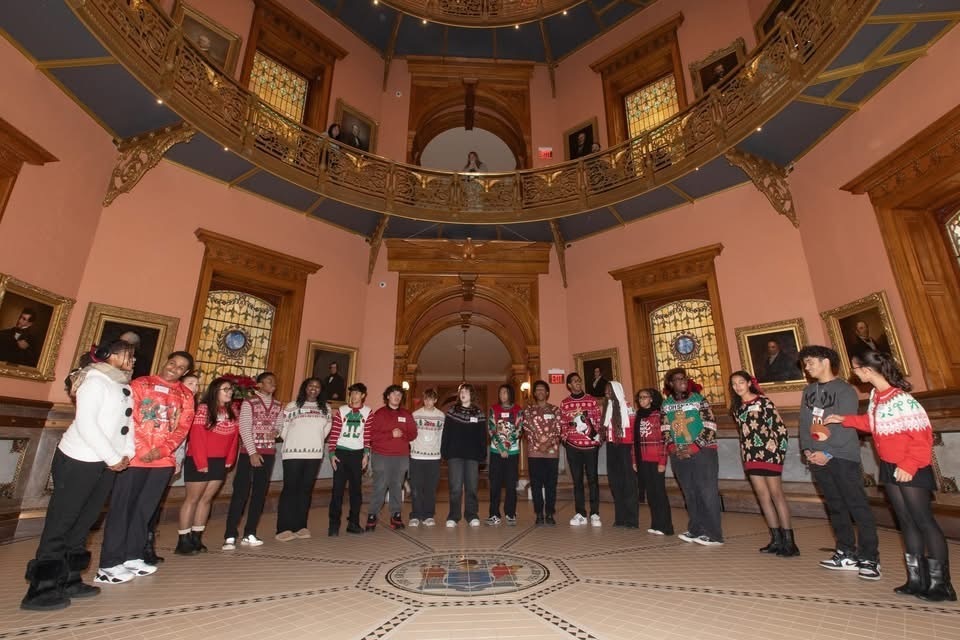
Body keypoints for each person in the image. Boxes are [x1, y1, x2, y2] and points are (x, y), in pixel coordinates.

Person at [825, 351, 954, 601]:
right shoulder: (877, 396)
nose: (855, 372)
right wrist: (845, 420)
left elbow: (922, 437)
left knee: (924, 521)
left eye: (856, 368)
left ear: (868, 370)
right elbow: (875, 423)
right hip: (889, 465)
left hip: (911, 467)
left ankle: (942, 585)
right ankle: (917, 579)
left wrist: (909, 465)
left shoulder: (902, 399)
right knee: (905, 521)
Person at [20, 341, 135, 610]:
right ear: (110, 356)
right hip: (79, 459)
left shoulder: (121, 383)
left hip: (107, 461)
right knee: (62, 521)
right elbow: (86, 423)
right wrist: (113, 457)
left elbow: (127, 424)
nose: (133, 361)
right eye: (128, 355)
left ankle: (70, 578)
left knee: (85, 521)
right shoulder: (93, 380)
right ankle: (41, 588)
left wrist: (125, 453)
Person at [96, 351, 195, 584]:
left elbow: (183, 427)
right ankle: (109, 563)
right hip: (134, 456)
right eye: (173, 363)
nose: (175, 369)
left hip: (163, 461)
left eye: (181, 368)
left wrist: (161, 450)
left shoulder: (186, 395)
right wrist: (141, 448)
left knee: (144, 510)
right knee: (123, 508)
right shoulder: (141, 384)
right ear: (165, 362)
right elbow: (129, 418)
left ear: (186, 372)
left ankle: (132, 556)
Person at [797, 345, 880, 580]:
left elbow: (846, 425)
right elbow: (804, 424)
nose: (807, 366)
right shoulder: (808, 391)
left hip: (842, 457)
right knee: (835, 506)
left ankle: (870, 558)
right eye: (805, 363)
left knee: (857, 506)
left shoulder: (845, 390)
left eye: (811, 362)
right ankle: (845, 552)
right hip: (817, 458)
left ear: (825, 361)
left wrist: (828, 452)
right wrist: (807, 450)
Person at [729, 371, 797, 556]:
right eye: (734, 384)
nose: (737, 387)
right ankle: (775, 539)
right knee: (762, 496)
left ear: (749, 383)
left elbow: (781, 429)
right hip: (751, 454)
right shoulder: (737, 408)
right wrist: (744, 453)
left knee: (776, 495)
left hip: (770, 453)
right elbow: (743, 433)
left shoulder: (763, 402)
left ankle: (790, 542)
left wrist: (778, 452)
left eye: (741, 382)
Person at [177, 377, 240, 554]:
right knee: (193, 499)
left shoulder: (233, 410)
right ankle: (183, 540)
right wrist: (201, 461)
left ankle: (197, 537)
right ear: (215, 391)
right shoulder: (204, 409)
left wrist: (230, 458)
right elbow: (196, 437)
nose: (230, 392)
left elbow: (234, 438)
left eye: (231, 389)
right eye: (225, 389)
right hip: (200, 459)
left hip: (219, 461)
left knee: (206, 499)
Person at [661, 368, 723, 546]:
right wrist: (673, 447)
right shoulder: (666, 404)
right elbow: (665, 428)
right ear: (670, 384)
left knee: (707, 492)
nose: (682, 381)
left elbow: (710, 425)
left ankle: (714, 534)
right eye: (677, 379)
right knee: (689, 492)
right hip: (678, 453)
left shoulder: (699, 400)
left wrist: (693, 448)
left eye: (684, 378)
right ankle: (696, 529)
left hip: (703, 451)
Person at [224, 371, 282, 549]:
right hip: (248, 454)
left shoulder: (279, 405)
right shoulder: (249, 403)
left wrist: (277, 432)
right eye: (268, 381)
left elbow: (279, 425)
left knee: (259, 494)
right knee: (240, 493)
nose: (272, 384)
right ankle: (230, 535)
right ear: (259, 385)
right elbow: (244, 428)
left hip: (268, 453)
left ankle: (250, 532)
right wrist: (252, 453)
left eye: (274, 381)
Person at [276, 377, 331, 541]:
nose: (313, 388)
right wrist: (295, 442)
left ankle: (300, 526)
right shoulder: (292, 406)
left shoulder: (326, 408)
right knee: (290, 489)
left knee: (305, 491)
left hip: (314, 455)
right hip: (293, 453)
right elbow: (283, 428)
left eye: (317, 386)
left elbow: (326, 430)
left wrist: (314, 442)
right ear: (304, 388)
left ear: (321, 390)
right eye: (310, 386)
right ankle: (283, 528)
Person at [365, 384, 417, 531]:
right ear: (388, 396)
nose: (397, 397)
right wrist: (390, 434)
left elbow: (413, 434)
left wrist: (402, 434)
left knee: (396, 486)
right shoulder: (380, 414)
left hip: (401, 457)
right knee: (380, 486)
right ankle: (372, 515)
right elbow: (371, 436)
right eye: (394, 394)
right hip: (381, 455)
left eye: (399, 395)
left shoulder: (407, 414)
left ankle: (396, 515)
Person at [327, 382, 372, 536]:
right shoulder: (342, 410)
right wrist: (332, 453)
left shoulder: (368, 412)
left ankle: (353, 523)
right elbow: (334, 432)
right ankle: (333, 525)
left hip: (357, 454)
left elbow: (367, 435)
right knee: (337, 490)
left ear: (363, 396)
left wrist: (366, 454)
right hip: (341, 452)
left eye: (357, 393)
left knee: (356, 491)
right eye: (352, 393)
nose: (354, 396)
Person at [441, 383, 486, 528]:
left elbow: (482, 436)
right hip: (455, 454)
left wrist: (482, 454)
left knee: (472, 487)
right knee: (455, 487)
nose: (462, 393)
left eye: (466, 391)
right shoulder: (452, 411)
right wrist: (445, 451)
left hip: (472, 456)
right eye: (461, 391)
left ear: (471, 394)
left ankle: (471, 514)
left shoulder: (478, 412)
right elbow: (446, 432)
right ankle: (453, 516)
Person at [560, 372, 603, 526]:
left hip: (590, 447)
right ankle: (580, 513)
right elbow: (563, 424)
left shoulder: (591, 400)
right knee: (577, 481)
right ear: (569, 385)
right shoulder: (565, 403)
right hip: (573, 447)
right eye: (574, 381)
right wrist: (565, 439)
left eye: (579, 381)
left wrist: (596, 439)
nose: (578, 383)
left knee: (593, 479)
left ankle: (595, 513)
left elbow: (598, 420)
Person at [520, 380, 563, 526]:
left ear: (547, 393)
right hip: (535, 453)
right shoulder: (528, 412)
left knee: (551, 484)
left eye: (542, 389)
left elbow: (558, 429)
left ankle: (550, 513)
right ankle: (539, 514)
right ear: (534, 393)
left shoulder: (555, 410)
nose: (540, 392)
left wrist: (548, 444)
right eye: (537, 389)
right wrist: (540, 445)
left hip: (552, 453)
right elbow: (527, 430)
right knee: (536, 485)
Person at [634, 388, 673, 536]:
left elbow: (664, 440)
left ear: (651, 399)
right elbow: (635, 441)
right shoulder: (639, 416)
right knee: (651, 493)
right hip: (643, 460)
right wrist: (634, 460)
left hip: (656, 460)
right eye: (640, 397)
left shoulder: (658, 415)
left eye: (645, 397)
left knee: (659, 493)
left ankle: (665, 526)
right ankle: (656, 524)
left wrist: (662, 461)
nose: (642, 400)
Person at [604, 381, 639, 528]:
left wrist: (633, 456)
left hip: (625, 447)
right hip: (612, 446)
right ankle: (620, 517)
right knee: (615, 483)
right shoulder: (608, 407)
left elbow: (633, 432)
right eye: (605, 390)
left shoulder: (628, 407)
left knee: (628, 484)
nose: (606, 392)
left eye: (608, 390)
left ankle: (631, 519)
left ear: (616, 390)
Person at [409, 388, 445, 527]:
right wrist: (413, 446)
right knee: (416, 487)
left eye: (431, 399)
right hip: (417, 456)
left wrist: (439, 451)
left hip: (434, 457)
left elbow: (442, 436)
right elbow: (410, 434)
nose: (428, 401)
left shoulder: (441, 416)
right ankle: (416, 515)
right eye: (426, 399)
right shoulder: (415, 415)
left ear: (435, 400)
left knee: (430, 488)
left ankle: (429, 515)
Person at [486, 384, 522, 526]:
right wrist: (501, 448)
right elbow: (491, 429)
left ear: (510, 394)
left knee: (511, 484)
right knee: (494, 484)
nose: (502, 395)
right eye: (500, 393)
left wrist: (507, 447)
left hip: (512, 452)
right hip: (496, 452)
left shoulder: (518, 410)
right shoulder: (493, 409)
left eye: (505, 392)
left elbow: (518, 429)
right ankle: (494, 514)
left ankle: (510, 513)